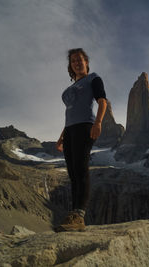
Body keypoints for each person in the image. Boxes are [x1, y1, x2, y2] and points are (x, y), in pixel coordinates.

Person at [55, 48, 107, 231]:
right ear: (71, 66)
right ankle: (74, 215)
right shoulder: (70, 88)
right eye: (73, 61)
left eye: (80, 60)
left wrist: (98, 122)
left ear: (86, 62)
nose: (77, 63)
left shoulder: (93, 78)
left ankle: (80, 215)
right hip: (70, 130)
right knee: (72, 173)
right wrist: (62, 136)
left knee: (81, 167)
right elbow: (69, 113)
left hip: (86, 126)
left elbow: (102, 101)